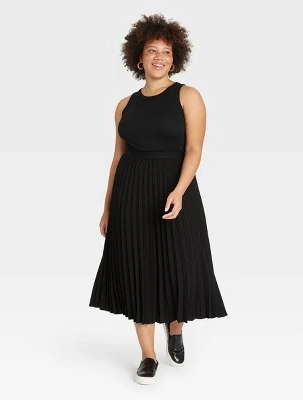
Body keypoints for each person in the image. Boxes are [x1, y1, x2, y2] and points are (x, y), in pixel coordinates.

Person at [89, 13, 228, 385]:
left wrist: (179, 191)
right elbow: (118, 157)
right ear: (139, 57)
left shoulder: (188, 96)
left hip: (174, 188)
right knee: (139, 268)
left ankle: (176, 327)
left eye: (166, 51)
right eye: (152, 50)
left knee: (179, 264)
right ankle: (148, 355)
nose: (159, 57)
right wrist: (107, 207)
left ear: (174, 57)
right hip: (132, 192)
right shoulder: (124, 105)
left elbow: (194, 150)